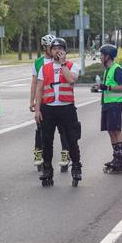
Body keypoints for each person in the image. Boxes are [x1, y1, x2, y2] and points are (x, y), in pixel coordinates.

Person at [34, 38, 82, 187]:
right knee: (46, 140)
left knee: (71, 139)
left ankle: (76, 166)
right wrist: (37, 109)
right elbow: (39, 88)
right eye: (54, 49)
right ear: (50, 51)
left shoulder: (72, 66)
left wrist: (62, 64)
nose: (57, 51)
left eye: (60, 48)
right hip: (48, 109)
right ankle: (47, 169)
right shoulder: (44, 68)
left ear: (65, 51)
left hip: (66, 107)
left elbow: (70, 80)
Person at [30, 34, 71, 172]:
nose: (53, 50)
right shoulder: (39, 63)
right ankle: (38, 152)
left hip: (60, 103)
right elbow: (35, 84)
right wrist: (33, 101)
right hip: (45, 101)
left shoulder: (62, 62)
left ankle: (65, 154)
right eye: (50, 47)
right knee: (41, 129)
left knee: (63, 129)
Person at [92, 44, 122, 174]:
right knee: (110, 131)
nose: (100, 57)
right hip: (107, 104)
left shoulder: (117, 69)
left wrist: (106, 87)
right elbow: (107, 87)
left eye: (101, 55)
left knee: (116, 131)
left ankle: (121, 159)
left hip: (115, 105)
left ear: (107, 56)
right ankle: (115, 157)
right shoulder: (107, 70)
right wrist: (100, 88)